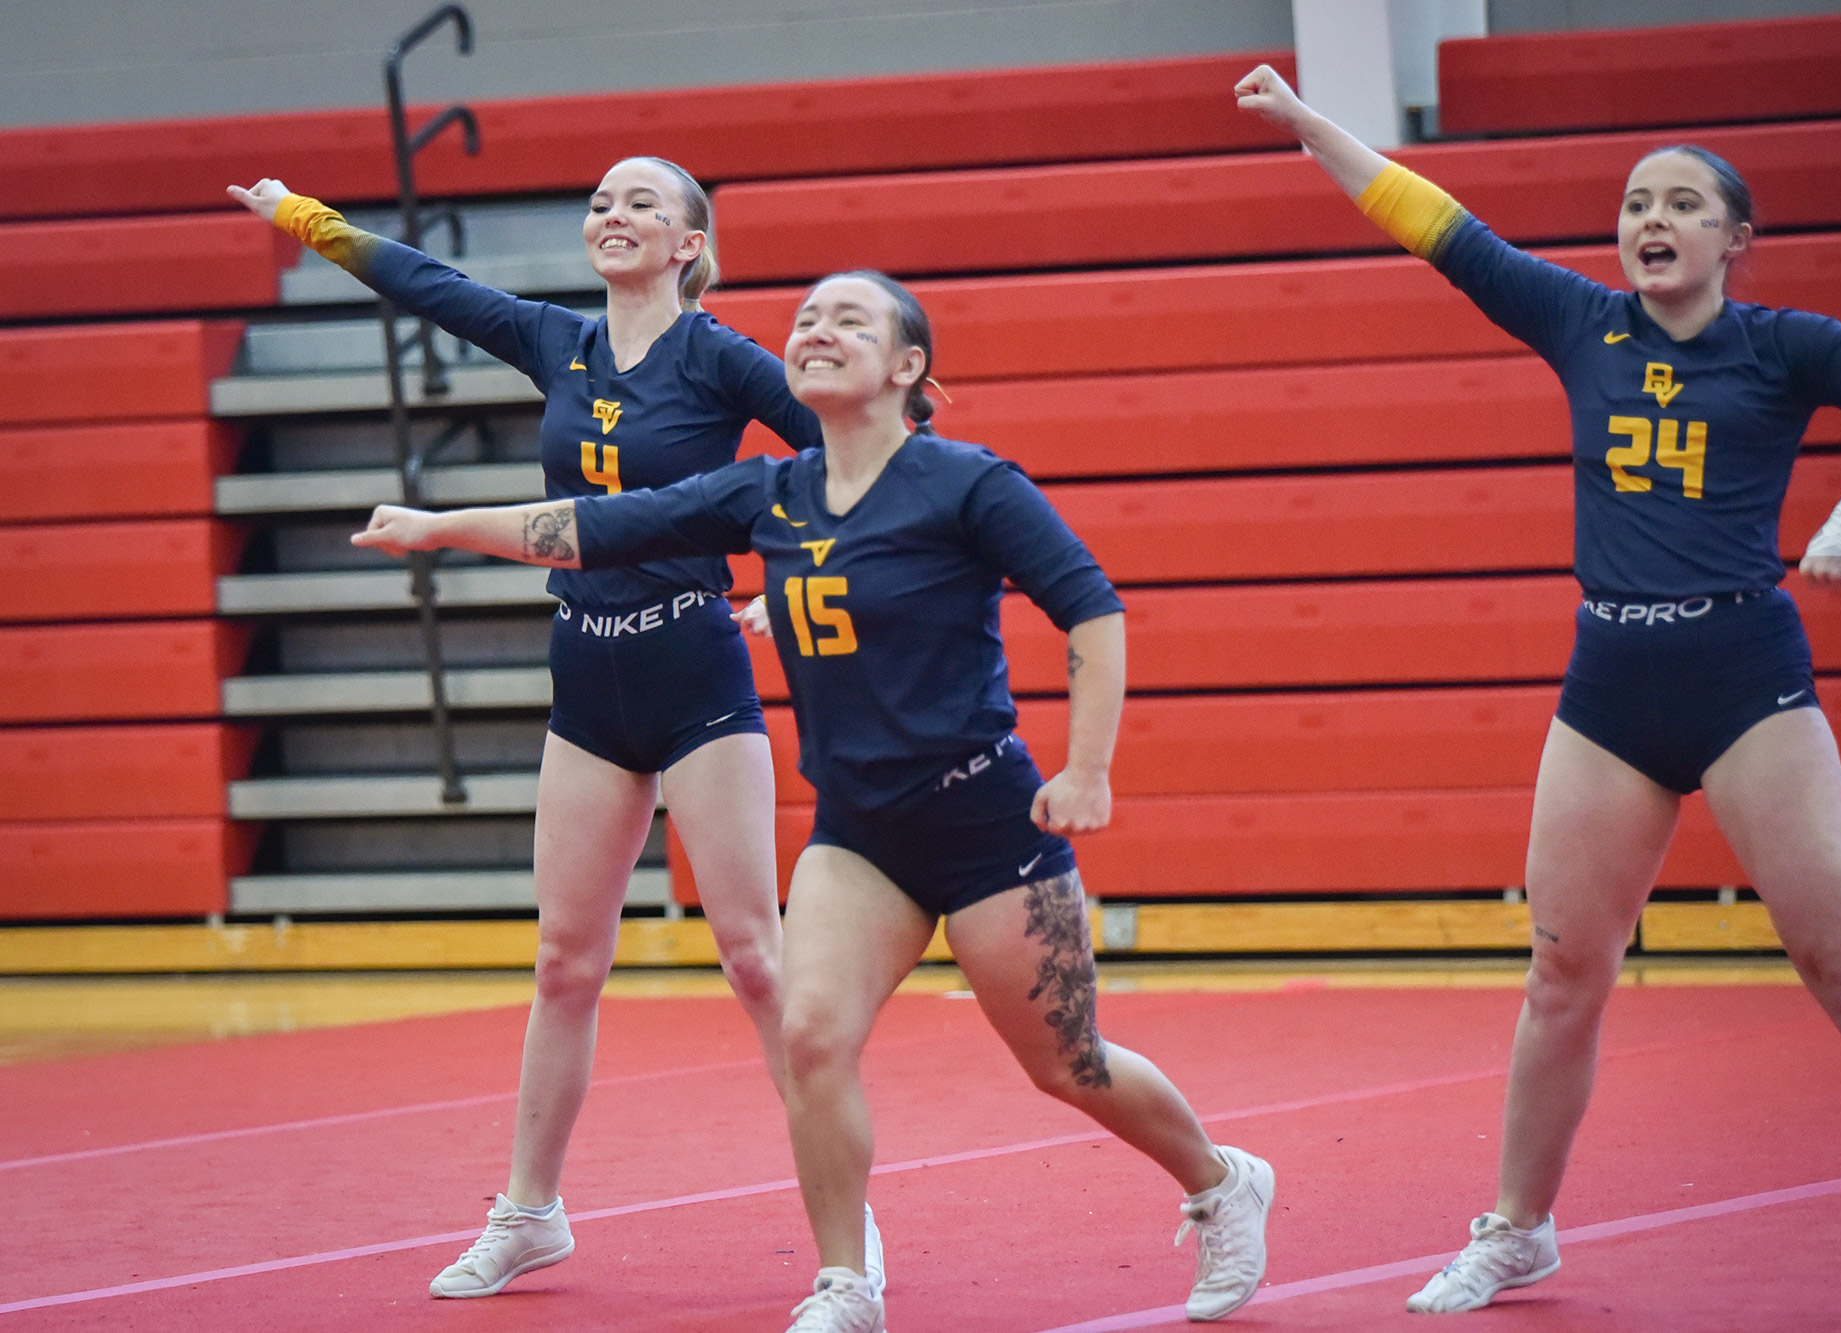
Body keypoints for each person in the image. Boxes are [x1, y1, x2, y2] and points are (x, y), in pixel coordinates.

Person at [349, 269, 1277, 1331]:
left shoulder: (969, 484)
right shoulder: (769, 491)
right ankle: (845, 1278)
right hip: (857, 835)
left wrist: (1087, 768)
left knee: (1066, 1065)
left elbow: (1092, 611)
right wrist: (438, 526)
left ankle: (1217, 1179)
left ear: (905, 366)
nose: (816, 330)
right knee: (812, 1035)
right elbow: (599, 527)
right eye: (805, 318)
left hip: (984, 822)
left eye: (850, 320)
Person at [1231, 64, 1841, 1320]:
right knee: (1560, 971)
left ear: (1732, 239)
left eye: (1682, 203)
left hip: (1745, 676)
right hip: (1609, 684)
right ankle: (1515, 1230)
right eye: (1637, 201)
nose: (1651, 218)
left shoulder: (1784, 345)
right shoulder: (1578, 321)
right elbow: (1435, 225)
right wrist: (1314, 126)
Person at [226, 161, 892, 1301]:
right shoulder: (555, 341)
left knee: (754, 957)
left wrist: (786, 579)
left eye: (641, 204)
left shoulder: (724, 358)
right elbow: (429, 284)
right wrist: (300, 217)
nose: (612, 217)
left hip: (696, 669)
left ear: (688, 243)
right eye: (598, 204)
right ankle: (530, 1211)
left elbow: (854, 450)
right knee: (563, 960)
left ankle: (847, 1220)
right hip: (586, 672)